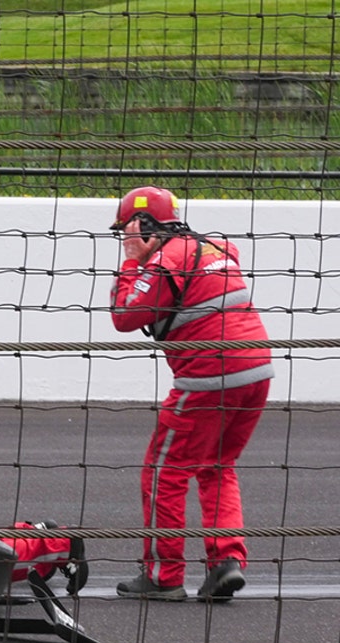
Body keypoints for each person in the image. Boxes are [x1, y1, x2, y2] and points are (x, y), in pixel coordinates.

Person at [108, 185, 273, 602]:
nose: (124, 239)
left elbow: (126, 316)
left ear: (143, 225)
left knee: (165, 471)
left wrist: (132, 259)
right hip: (256, 370)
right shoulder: (214, 247)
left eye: (126, 230)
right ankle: (226, 564)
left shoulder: (165, 261)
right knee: (218, 464)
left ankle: (164, 577)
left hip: (208, 376)